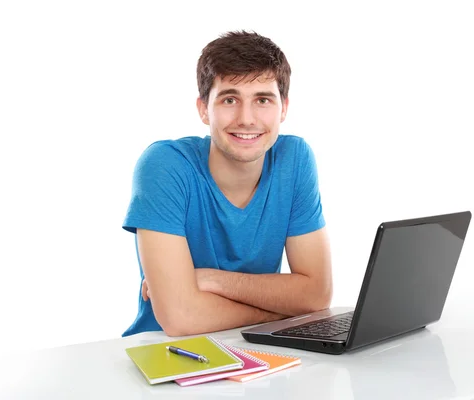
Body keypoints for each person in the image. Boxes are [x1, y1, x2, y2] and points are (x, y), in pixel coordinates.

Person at [121, 30, 332, 337]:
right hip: (168, 357)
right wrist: (281, 310)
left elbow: (316, 295)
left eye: (262, 100)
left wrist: (214, 280)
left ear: (283, 108)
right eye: (230, 99)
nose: (247, 119)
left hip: (259, 356)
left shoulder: (294, 158)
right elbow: (181, 319)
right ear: (203, 109)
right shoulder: (164, 165)